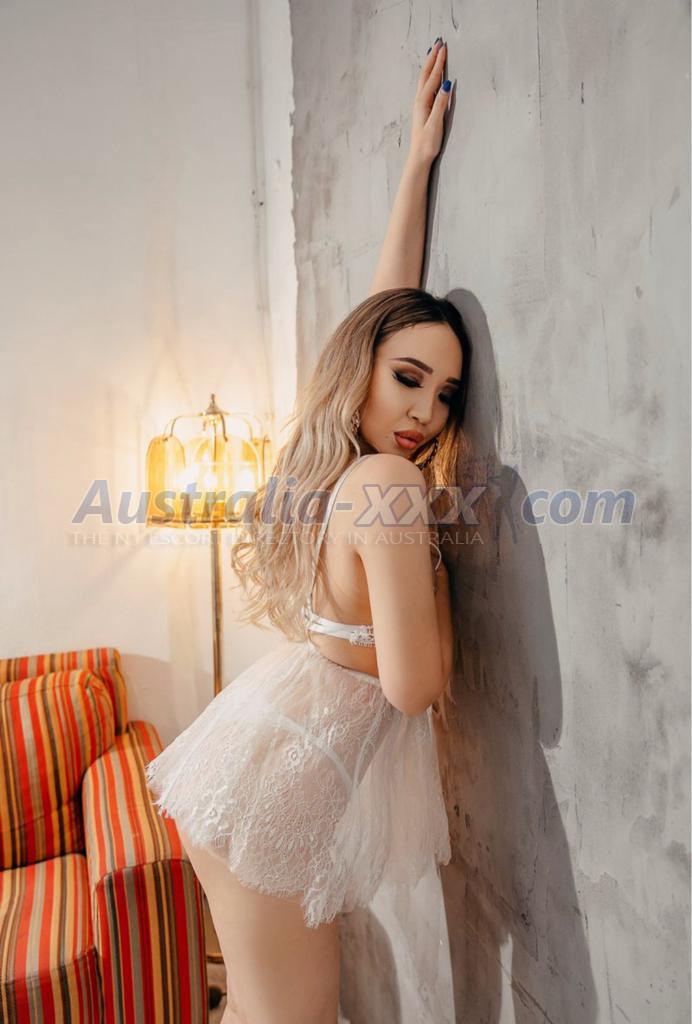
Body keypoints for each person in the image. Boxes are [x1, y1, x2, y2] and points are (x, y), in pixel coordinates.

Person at [145, 37, 470, 1024]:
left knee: (258, 1009)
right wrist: (436, 573)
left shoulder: (336, 459)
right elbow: (413, 686)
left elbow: (383, 313)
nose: (424, 412)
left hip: (245, 764)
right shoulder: (387, 484)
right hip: (269, 799)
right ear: (364, 369)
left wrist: (416, 165)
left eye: (446, 395)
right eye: (407, 380)